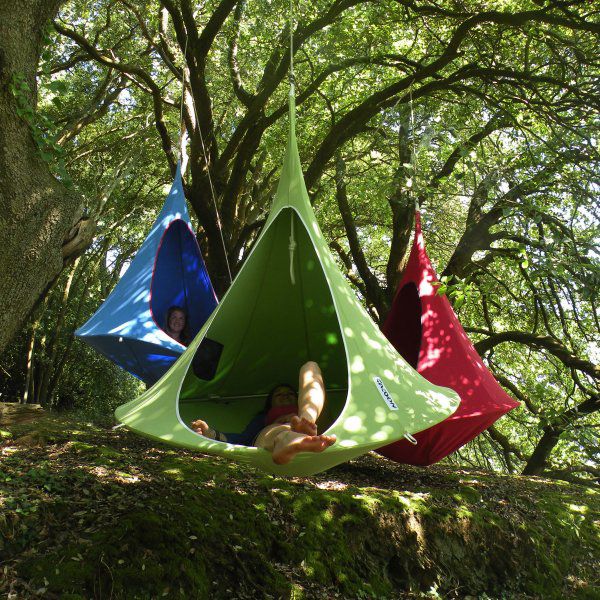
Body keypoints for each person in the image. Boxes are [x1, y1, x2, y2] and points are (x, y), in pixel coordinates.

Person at [190, 361, 336, 465]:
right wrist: (211, 433)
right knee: (277, 430)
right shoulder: (263, 418)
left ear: (298, 399)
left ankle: (303, 426)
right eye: (279, 395)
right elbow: (244, 439)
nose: (285, 396)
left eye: (290, 394)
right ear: (270, 404)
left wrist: (302, 418)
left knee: (311, 366)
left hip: (309, 418)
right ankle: (286, 438)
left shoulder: (310, 406)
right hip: (272, 434)